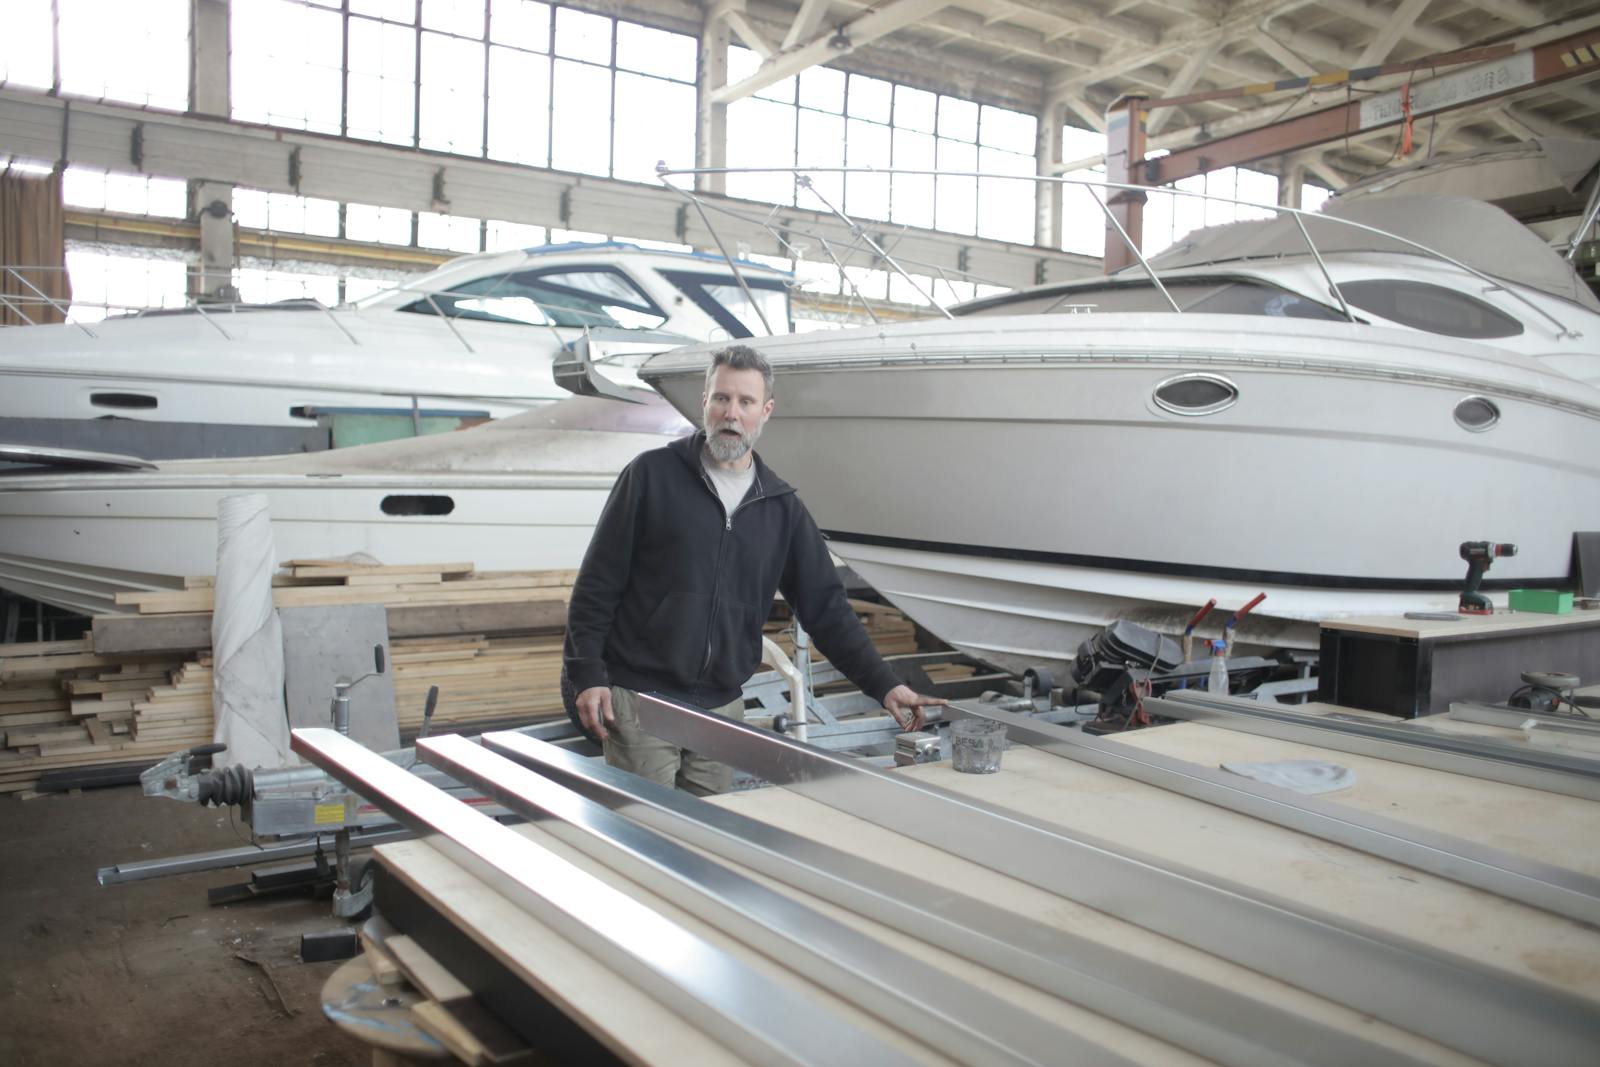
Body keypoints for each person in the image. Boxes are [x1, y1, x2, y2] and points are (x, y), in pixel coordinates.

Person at [563, 343, 945, 795]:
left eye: (745, 402)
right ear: (704, 403)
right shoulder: (651, 476)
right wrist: (586, 674)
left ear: (765, 412)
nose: (731, 413)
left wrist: (884, 685)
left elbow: (827, 610)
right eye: (722, 398)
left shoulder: (782, 508)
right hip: (641, 701)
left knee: (713, 839)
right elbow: (597, 585)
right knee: (646, 833)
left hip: (722, 710)